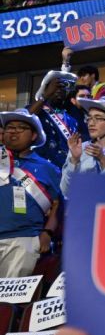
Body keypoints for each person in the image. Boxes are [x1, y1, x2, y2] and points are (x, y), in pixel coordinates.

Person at [0, 110, 62, 278]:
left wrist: (47, 233)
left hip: (24, 240)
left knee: (10, 303)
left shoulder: (47, 168)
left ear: (34, 135)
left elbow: (58, 204)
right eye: (9, 127)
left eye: (21, 128)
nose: (13, 131)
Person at [27, 71, 81, 168]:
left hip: (64, 169)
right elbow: (26, 117)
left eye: (63, 88)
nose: (59, 90)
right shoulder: (38, 111)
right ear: (46, 89)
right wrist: (46, 95)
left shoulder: (72, 120)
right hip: (40, 167)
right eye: (55, 87)